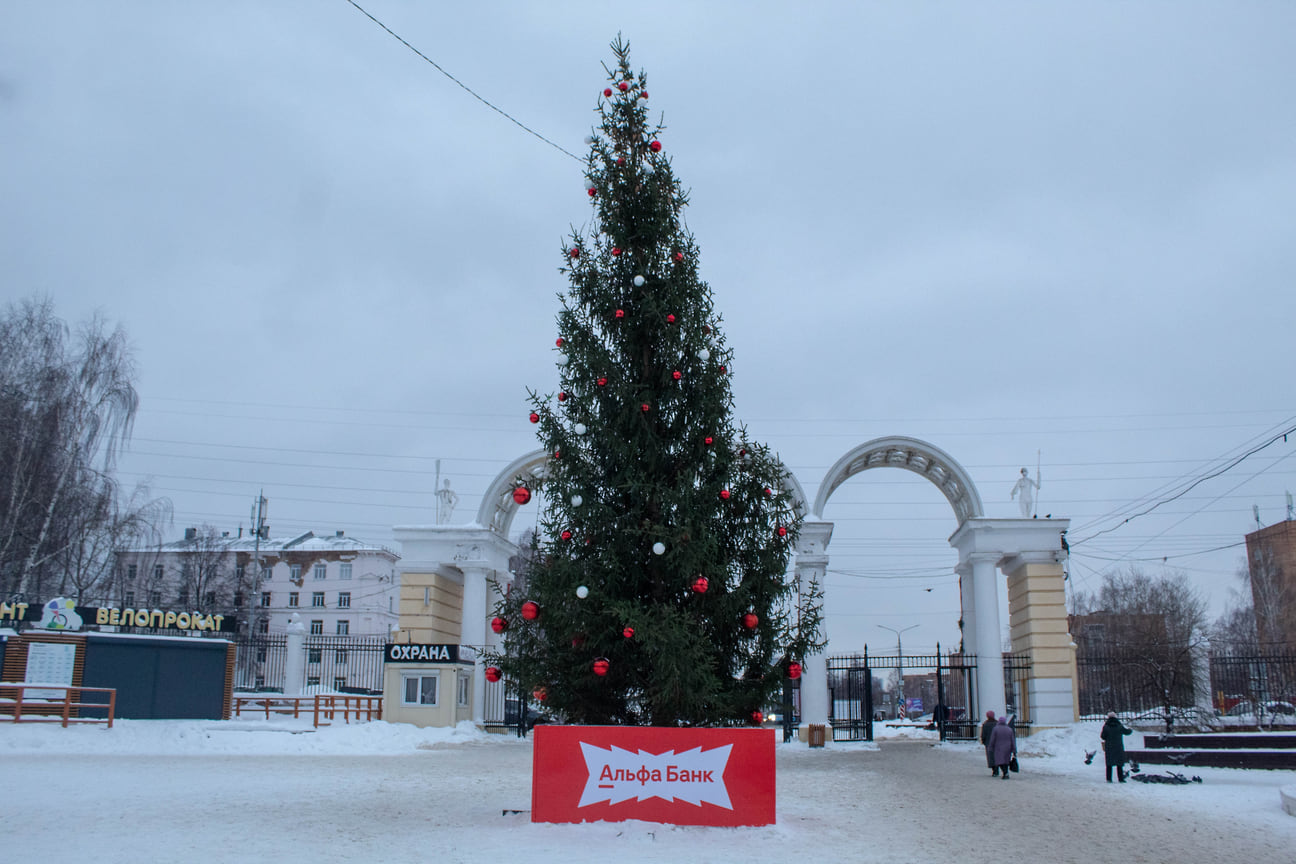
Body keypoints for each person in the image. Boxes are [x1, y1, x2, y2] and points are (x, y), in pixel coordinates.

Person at [1100, 711, 1133, 783]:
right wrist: (1130, 730)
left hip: (1109, 747)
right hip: (1118, 747)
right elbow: (1127, 732)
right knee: (1119, 763)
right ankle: (1120, 778)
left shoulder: (1106, 726)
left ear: (1108, 718)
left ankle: (1109, 779)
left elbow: (1102, 736)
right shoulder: (1119, 726)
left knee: (1109, 764)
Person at [988, 714, 1017, 780]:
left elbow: (992, 739)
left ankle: (1005, 772)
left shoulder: (995, 729)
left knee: (999, 761)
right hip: (1008, 748)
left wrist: (991, 747)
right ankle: (1006, 772)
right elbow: (1012, 740)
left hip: (998, 747)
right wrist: (1014, 749)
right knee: (1006, 760)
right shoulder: (1009, 729)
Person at [980, 710, 998, 775]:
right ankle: (997, 767)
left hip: (988, 742)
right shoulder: (997, 723)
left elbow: (983, 734)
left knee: (991, 756)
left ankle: (994, 769)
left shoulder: (985, 724)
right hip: (997, 742)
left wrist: (983, 741)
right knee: (997, 755)